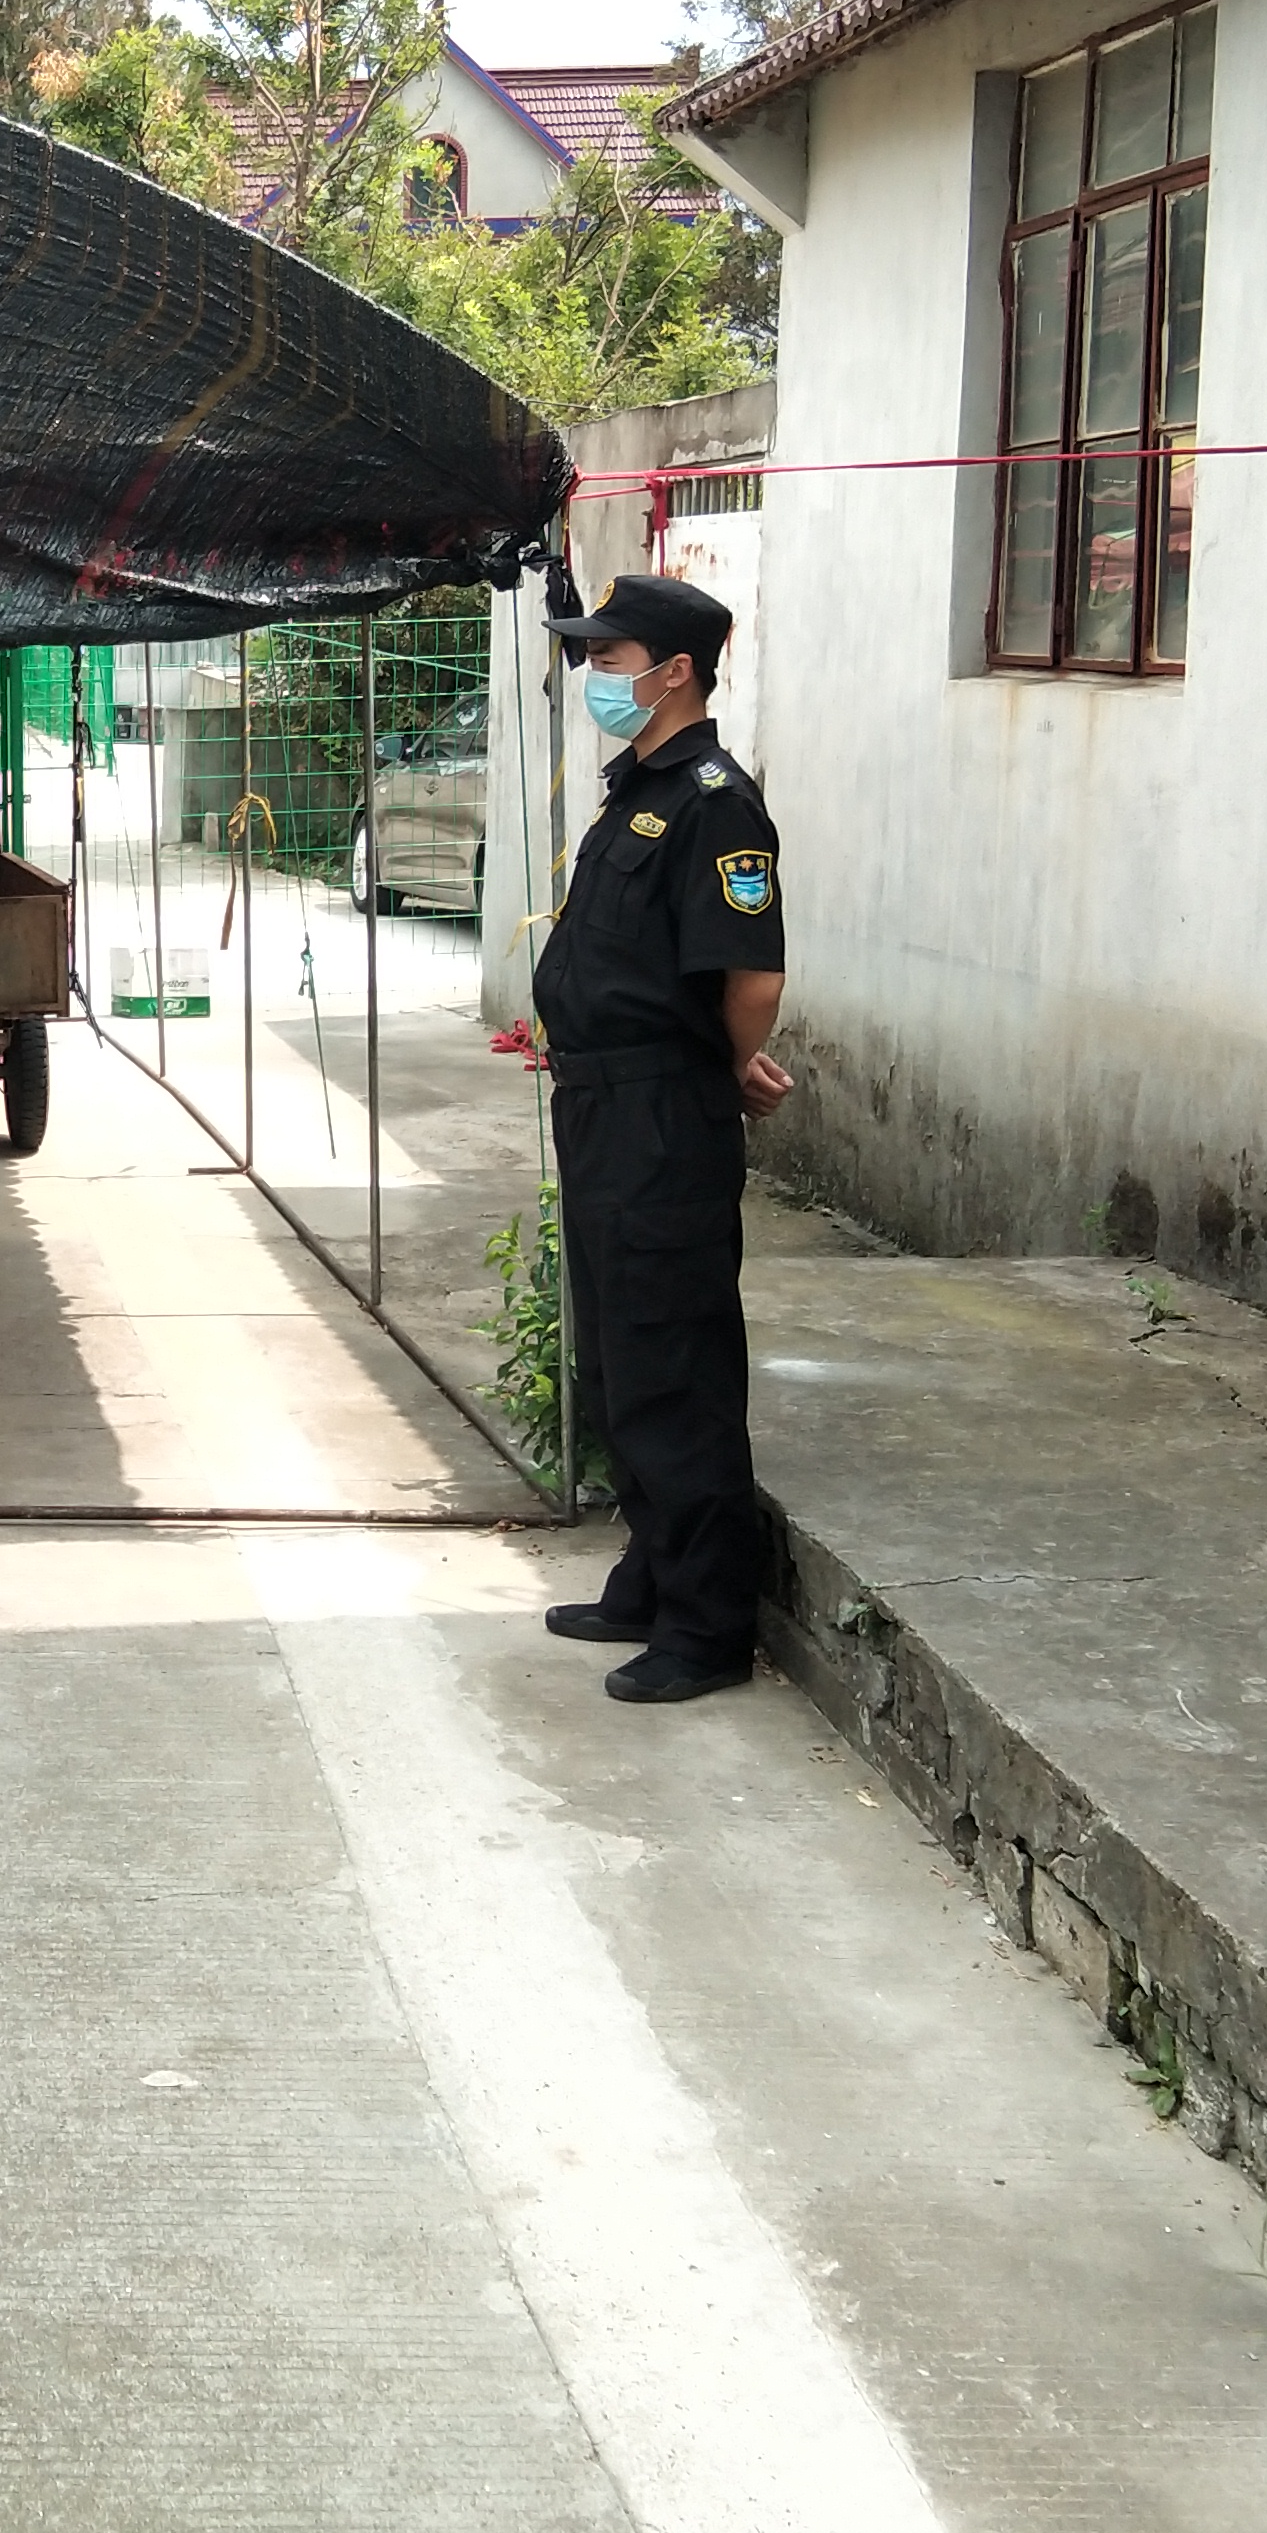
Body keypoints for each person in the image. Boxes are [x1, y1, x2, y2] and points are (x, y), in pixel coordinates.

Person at [531, 571, 793, 1706]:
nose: (593, 673)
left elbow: (751, 975)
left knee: (673, 1362)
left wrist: (726, 1064)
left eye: (609, 657)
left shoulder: (714, 802)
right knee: (617, 1353)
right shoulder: (637, 786)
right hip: (601, 1105)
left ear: (674, 671)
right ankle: (650, 1574)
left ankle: (705, 1626)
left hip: (660, 1113)